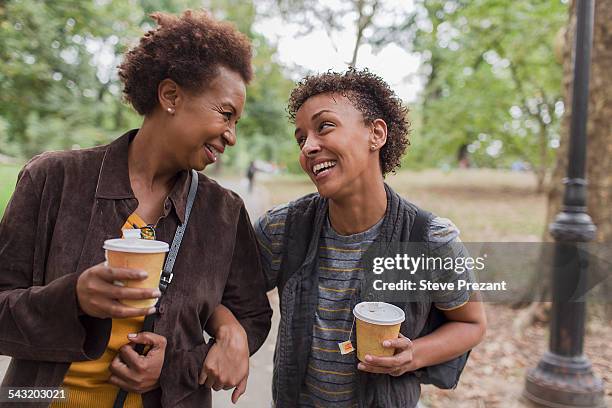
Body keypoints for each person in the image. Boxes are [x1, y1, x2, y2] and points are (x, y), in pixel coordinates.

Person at [0, 10, 271, 408]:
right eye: (225, 114)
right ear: (170, 96)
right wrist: (72, 297)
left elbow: (253, 316)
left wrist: (187, 361)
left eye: (237, 122)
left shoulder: (223, 211)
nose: (231, 135)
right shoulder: (52, 179)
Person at [254, 68, 487, 407]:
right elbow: (230, 296)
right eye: (301, 138)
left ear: (376, 134)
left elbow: (471, 324)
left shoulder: (430, 239)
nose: (309, 147)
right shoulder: (281, 229)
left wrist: (413, 355)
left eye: (325, 126)